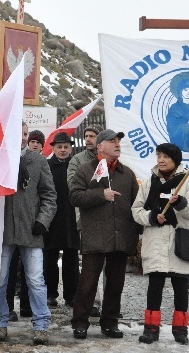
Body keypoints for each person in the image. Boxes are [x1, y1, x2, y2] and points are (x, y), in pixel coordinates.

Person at [0, 122, 57, 346]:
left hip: (31, 231)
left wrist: (42, 221)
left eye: (25, 134)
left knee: (36, 280)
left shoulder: (38, 160)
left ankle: (41, 325)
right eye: (18, 133)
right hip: (3, 231)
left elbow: (49, 195)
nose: (22, 137)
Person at [70, 129, 140, 340]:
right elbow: (74, 196)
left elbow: (137, 204)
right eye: (112, 141)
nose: (117, 144)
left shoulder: (127, 173)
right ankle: (80, 323)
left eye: (118, 141)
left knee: (116, 283)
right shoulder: (85, 170)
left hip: (121, 235)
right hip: (95, 235)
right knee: (88, 282)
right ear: (100, 146)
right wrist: (101, 194)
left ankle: (110, 323)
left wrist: (138, 230)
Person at [131, 143, 189, 345]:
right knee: (154, 286)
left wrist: (181, 203)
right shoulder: (148, 184)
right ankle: (150, 329)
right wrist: (152, 217)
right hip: (156, 242)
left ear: (175, 160)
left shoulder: (188, 182)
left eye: (165, 156)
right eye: (158, 156)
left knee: (180, 286)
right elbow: (136, 211)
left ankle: (181, 330)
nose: (161, 160)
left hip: (180, 242)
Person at [67, 123, 104, 316]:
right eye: (87, 135)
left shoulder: (111, 160)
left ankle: (110, 304)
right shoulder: (77, 160)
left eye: (93, 136)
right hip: (86, 217)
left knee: (110, 264)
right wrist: (100, 192)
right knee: (90, 264)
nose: (89, 139)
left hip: (108, 218)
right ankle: (93, 303)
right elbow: (75, 186)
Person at [44, 132, 79, 308]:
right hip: (52, 218)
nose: (63, 150)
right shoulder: (47, 166)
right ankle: (50, 294)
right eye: (59, 147)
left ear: (71, 148)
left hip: (72, 217)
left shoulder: (77, 166)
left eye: (66, 147)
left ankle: (71, 295)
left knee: (71, 257)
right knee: (49, 257)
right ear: (53, 148)